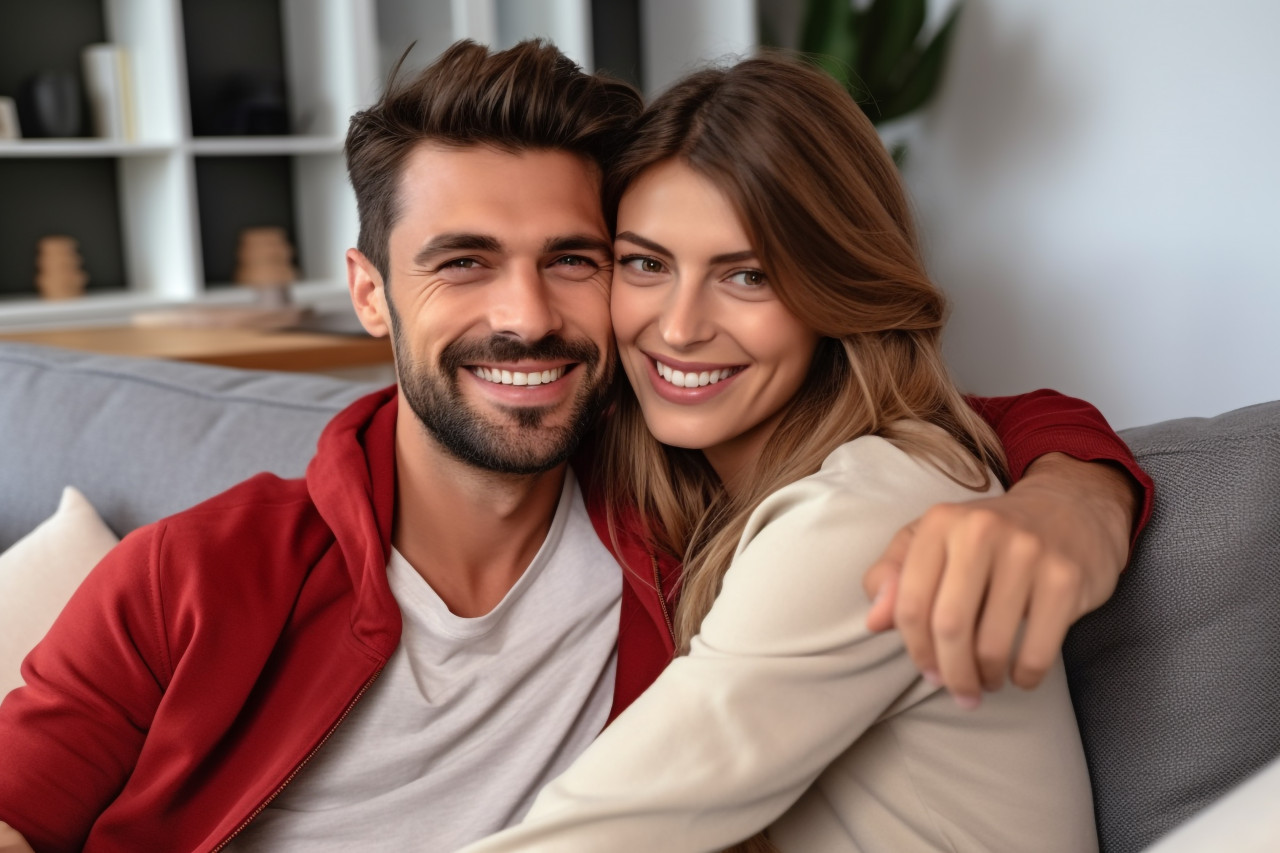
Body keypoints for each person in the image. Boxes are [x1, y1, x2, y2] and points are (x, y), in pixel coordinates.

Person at [0, 41, 1146, 853]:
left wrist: (1071, 494)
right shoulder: (190, 573)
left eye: (576, 258)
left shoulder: (682, 509)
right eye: (460, 261)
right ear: (368, 293)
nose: (529, 316)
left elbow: (913, 431)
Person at [459, 54, 1106, 852]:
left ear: (834, 288)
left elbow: (601, 836)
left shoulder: (866, 512)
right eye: (646, 263)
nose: (681, 325)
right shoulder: (712, 480)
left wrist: (1080, 496)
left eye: (747, 275)